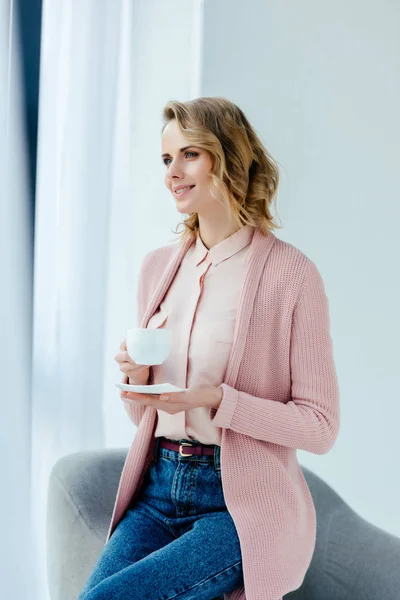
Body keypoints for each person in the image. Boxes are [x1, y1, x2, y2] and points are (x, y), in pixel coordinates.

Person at [78, 97, 340, 600]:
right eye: (165, 160)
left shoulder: (292, 276)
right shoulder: (159, 268)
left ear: (228, 156)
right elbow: (144, 418)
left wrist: (218, 401)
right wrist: (136, 380)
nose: (172, 173)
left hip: (239, 506)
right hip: (157, 488)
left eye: (188, 155)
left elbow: (320, 427)